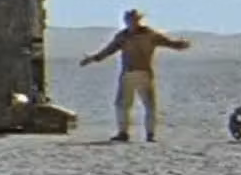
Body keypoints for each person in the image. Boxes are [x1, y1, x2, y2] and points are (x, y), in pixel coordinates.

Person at [79, 8, 192, 142]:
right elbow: (107, 51)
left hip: (137, 72)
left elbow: (108, 51)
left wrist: (93, 58)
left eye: (132, 19)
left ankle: (142, 134)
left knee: (142, 105)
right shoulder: (145, 35)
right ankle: (134, 133)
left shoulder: (134, 36)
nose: (131, 22)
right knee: (128, 104)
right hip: (135, 73)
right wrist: (93, 58)